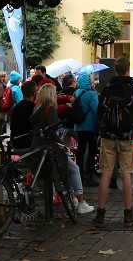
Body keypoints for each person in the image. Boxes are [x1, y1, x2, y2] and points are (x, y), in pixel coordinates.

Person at [94, 56, 133, 227]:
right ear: (128, 69)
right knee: (126, 174)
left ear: (115, 69)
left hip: (108, 136)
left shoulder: (107, 89)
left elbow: (99, 114)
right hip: (126, 137)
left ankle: (100, 214)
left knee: (106, 174)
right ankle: (128, 213)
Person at [30, 84, 94, 214]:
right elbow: (52, 133)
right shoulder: (50, 109)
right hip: (50, 148)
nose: (56, 96)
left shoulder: (37, 109)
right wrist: (62, 145)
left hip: (38, 146)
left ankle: (73, 199)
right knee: (73, 169)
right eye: (54, 93)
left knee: (67, 171)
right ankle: (80, 202)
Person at [68, 74, 100, 187]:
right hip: (90, 126)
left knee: (80, 150)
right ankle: (89, 175)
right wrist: (98, 125)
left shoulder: (76, 93)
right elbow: (97, 110)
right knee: (92, 150)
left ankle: (79, 174)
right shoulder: (91, 94)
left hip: (79, 126)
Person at [8, 80, 38, 151]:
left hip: (16, 144)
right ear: (34, 93)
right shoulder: (35, 108)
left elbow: (12, 127)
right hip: (29, 144)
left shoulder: (15, 108)